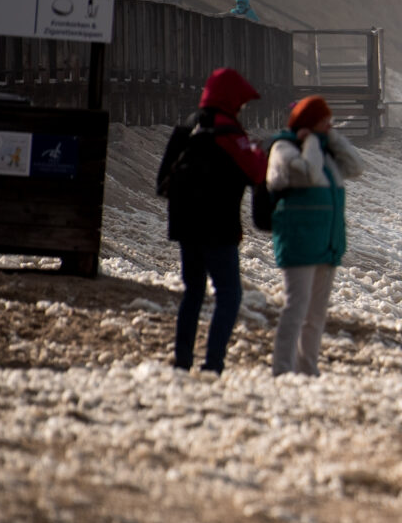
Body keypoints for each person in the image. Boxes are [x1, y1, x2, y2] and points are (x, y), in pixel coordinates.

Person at [154, 67, 268, 373]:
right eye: (241, 103)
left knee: (193, 291)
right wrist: (258, 150)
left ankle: (182, 359)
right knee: (229, 294)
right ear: (231, 99)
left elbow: (162, 178)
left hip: (185, 225)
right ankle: (213, 362)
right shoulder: (229, 132)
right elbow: (256, 173)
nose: (242, 108)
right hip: (219, 227)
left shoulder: (188, 127)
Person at [264, 95, 363, 376]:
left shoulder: (324, 152)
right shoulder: (284, 148)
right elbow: (307, 175)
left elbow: (356, 167)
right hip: (298, 240)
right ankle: (282, 370)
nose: (328, 125)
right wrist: (309, 142)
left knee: (316, 314)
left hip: (326, 242)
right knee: (296, 308)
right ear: (308, 122)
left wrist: (332, 139)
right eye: (323, 121)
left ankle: (308, 370)